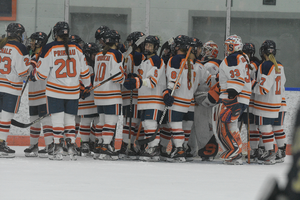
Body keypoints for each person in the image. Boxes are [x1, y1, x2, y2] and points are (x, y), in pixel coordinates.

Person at [30, 21, 91, 160]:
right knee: (70, 118)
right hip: (73, 91)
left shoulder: (49, 48)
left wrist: (34, 74)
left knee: (57, 118)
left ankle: (57, 146)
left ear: (55, 33)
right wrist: (87, 85)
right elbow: (85, 71)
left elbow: (41, 74)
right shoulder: (77, 48)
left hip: (55, 90)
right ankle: (70, 146)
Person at [124, 35, 166, 161]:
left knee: (150, 123)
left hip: (154, 99)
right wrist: (133, 78)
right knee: (147, 125)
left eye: (150, 46)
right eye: (146, 45)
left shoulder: (157, 61)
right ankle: (151, 147)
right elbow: (141, 79)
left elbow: (152, 81)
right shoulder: (144, 61)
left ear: (156, 48)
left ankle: (154, 148)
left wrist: (137, 82)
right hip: (145, 99)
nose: (147, 47)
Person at [160, 35, 196, 162]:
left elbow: (174, 80)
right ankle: (181, 148)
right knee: (182, 126)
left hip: (177, 97)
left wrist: (167, 92)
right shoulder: (191, 61)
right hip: (188, 99)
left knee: (175, 125)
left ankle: (179, 149)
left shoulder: (174, 60)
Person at [217, 34, 251, 165]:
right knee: (232, 124)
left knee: (228, 124)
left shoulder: (232, 58)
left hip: (233, 97)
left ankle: (235, 152)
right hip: (242, 97)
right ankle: (234, 150)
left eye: (228, 45)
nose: (227, 48)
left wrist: (232, 92)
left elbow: (236, 76)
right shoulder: (243, 57)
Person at [252, 40, 286, 165]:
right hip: (279, 102)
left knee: (265, 128)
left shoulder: (265, 65)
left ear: (262, 51)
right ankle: (281, 152)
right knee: (277, 128)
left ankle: (269, 153)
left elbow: (263, 89)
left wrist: (250, 83)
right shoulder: (280, 65)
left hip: (265, 103)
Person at [92, 30, 125, 160]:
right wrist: (124, 78)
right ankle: (106, 146)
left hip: (99, 92)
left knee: (102, 121)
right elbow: (117, 76)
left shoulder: (99, 54)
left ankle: (99, 145)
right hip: (111, 93)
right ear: (116, 42)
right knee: (111, 122)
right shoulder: (117, 54)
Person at [0, 23, 31, 158]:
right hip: (10, 88)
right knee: (6, 118)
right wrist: (31, 63)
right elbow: (23, 72)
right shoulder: (20, 48)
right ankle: (1, 144)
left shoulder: (1, 44)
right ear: (19, 34)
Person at [24, 31, 54, 157]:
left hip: (44, 93)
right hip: (33, 94)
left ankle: (49, 145)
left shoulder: (44, 55)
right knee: (34, 120)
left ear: (39, 42)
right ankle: (34, 145)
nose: (31, 42)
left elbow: (38, 70)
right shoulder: (33, 56)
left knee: (46, 120)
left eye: (33, 40)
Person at [190, 39, 222, 161]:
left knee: (203, 125)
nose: (204, 52)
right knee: (192, 125)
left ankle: (208, 150)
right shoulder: (204, 63)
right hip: (198, 98)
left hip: (205, 99)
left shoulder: (212, 64)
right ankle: (192, 149)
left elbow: (209, 81)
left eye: (207, 50)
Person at [119, 31, 145, 159]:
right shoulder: (129, 56)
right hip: (130, 94)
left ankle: (134, 145)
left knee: (138, 122)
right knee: (131, 121)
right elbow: (125, 73)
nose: (128, 44)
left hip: (139, 95)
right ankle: (125, 145)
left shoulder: (141, 57)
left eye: (130, 42)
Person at [78, 42, 99, 156]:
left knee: (97, 121)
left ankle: (92, 141)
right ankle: (85, 143)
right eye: (94, 54)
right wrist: (81, 89)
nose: (96, 56)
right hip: (85, 99)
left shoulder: (97, 64)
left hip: (96, 98)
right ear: (87, 53)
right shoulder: (82, 65)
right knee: (85, 121)